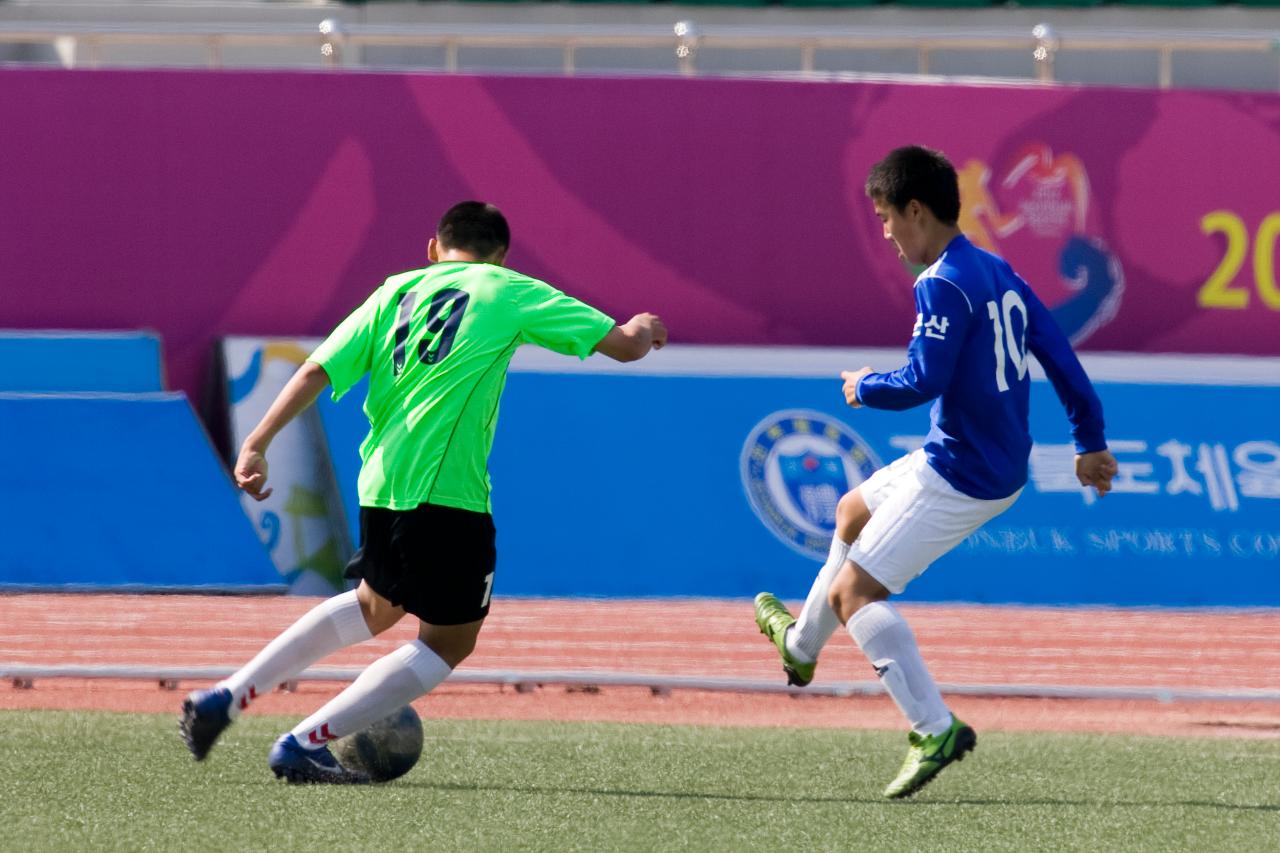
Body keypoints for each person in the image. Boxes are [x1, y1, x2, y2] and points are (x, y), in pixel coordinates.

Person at [180, 201, 667, 783]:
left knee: (374, 606)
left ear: (434, 247)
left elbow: (316, 369)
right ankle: (304, 741)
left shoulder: (394, 292)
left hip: (382, 481)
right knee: (448, 642)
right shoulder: (507, 289)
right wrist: (644, 327)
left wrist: (256, 442)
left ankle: (228, 696)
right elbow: (624, 345)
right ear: (501, 254)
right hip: (447, 492)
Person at [753, 145, 1117, 799]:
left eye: (887, 217)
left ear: (916, 211)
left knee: (855, 595)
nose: (886, 233)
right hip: (981, 457)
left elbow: (923, 379)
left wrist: (864, 386)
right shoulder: (996, 269)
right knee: (850, 510)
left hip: (961, 472)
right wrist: (1089, 439)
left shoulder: (943, 280)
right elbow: (1061, 356)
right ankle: (802, 646)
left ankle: (934, 727)